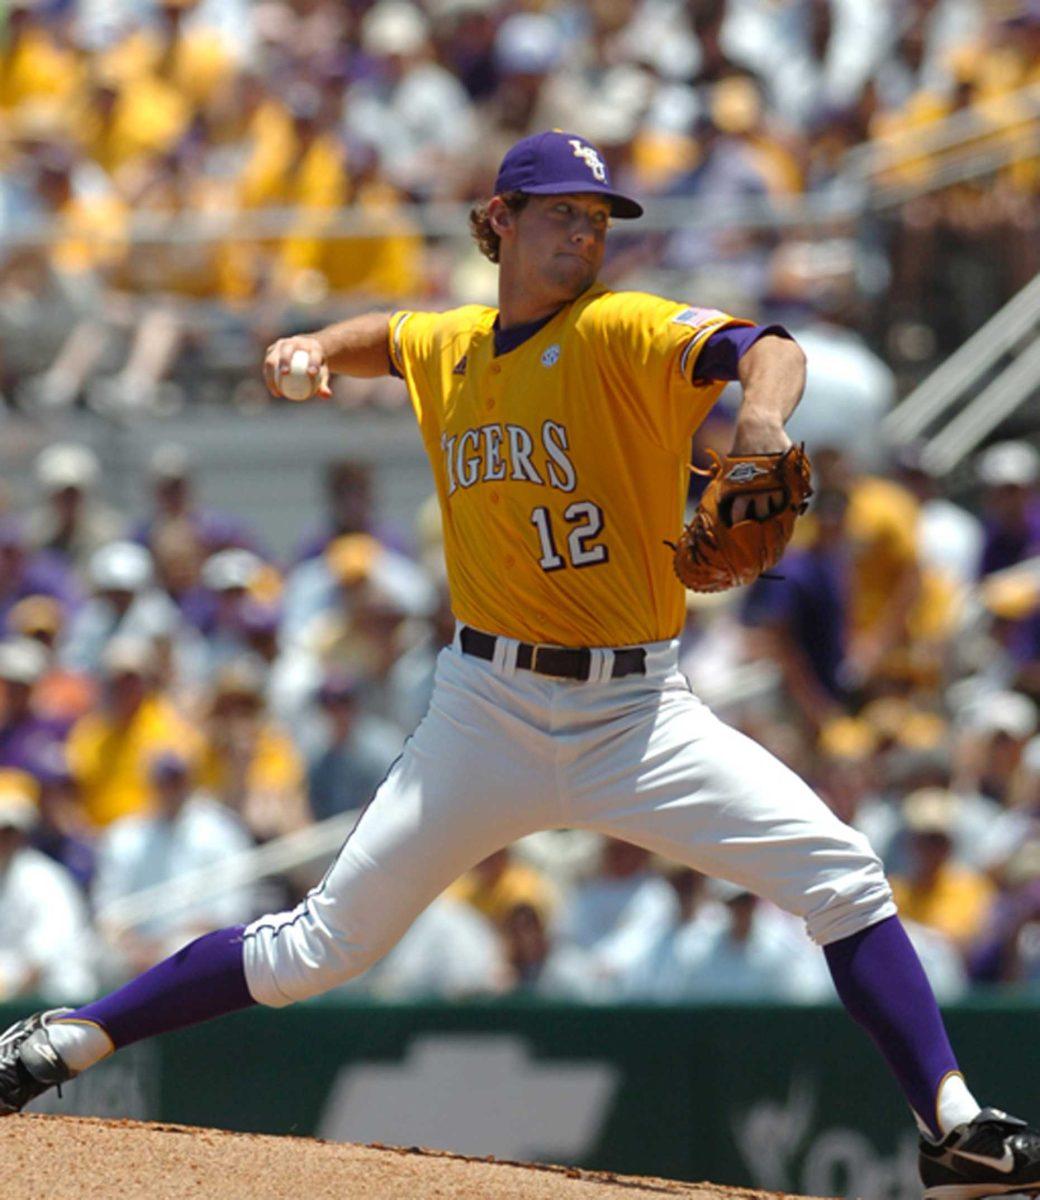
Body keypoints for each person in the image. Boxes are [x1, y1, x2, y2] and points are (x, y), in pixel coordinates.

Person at [1, 129, 1038, 1199]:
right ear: (497, 220)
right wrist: (314, 343)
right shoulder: (453, 345)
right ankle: (72, 1037)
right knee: (314, 953)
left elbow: (766, 346)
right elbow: (391, 336)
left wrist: (760, 417)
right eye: (558, 214)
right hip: (484, 708)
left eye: (594, 221)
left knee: (840, 875)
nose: (580, 236)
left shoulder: (624, 331)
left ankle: (949, 1123)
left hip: (638, 715)